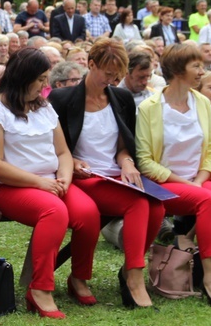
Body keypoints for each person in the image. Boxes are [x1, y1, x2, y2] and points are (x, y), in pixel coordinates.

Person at [0, 48, 100, 318]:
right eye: (41, 79)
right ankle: (40, 289)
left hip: (51, 182)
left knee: (89, 213)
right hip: (6, 187)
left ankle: (78, 278)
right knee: (54, 211)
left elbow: (63, 153)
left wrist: (64, 178)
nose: (46, 85)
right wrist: (39, 184)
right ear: (23, 77)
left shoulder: (44, 106)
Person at [136, 43, 211, 306]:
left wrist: (200, 180)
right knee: (209, 200)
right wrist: (186, 183)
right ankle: (210, 276)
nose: (203, 71)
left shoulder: (201, 103)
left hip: (198, 180)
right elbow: (145, 162)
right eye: (197, 66)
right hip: (164, 183)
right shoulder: (150, 107)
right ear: (179, 70)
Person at [49, 39, 165, 309]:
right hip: (83, 177)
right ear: (91, 65)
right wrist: (74, 161)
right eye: (108, 73)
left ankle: (129, 270)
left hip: (115, 175)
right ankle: (133, 278)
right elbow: (51, 145)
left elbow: (125, 145)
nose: (113, 80)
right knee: (137, 203)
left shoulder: (121, 98)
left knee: (157, 206)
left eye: (117, 75)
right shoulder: (62, 99)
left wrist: (126, 161)